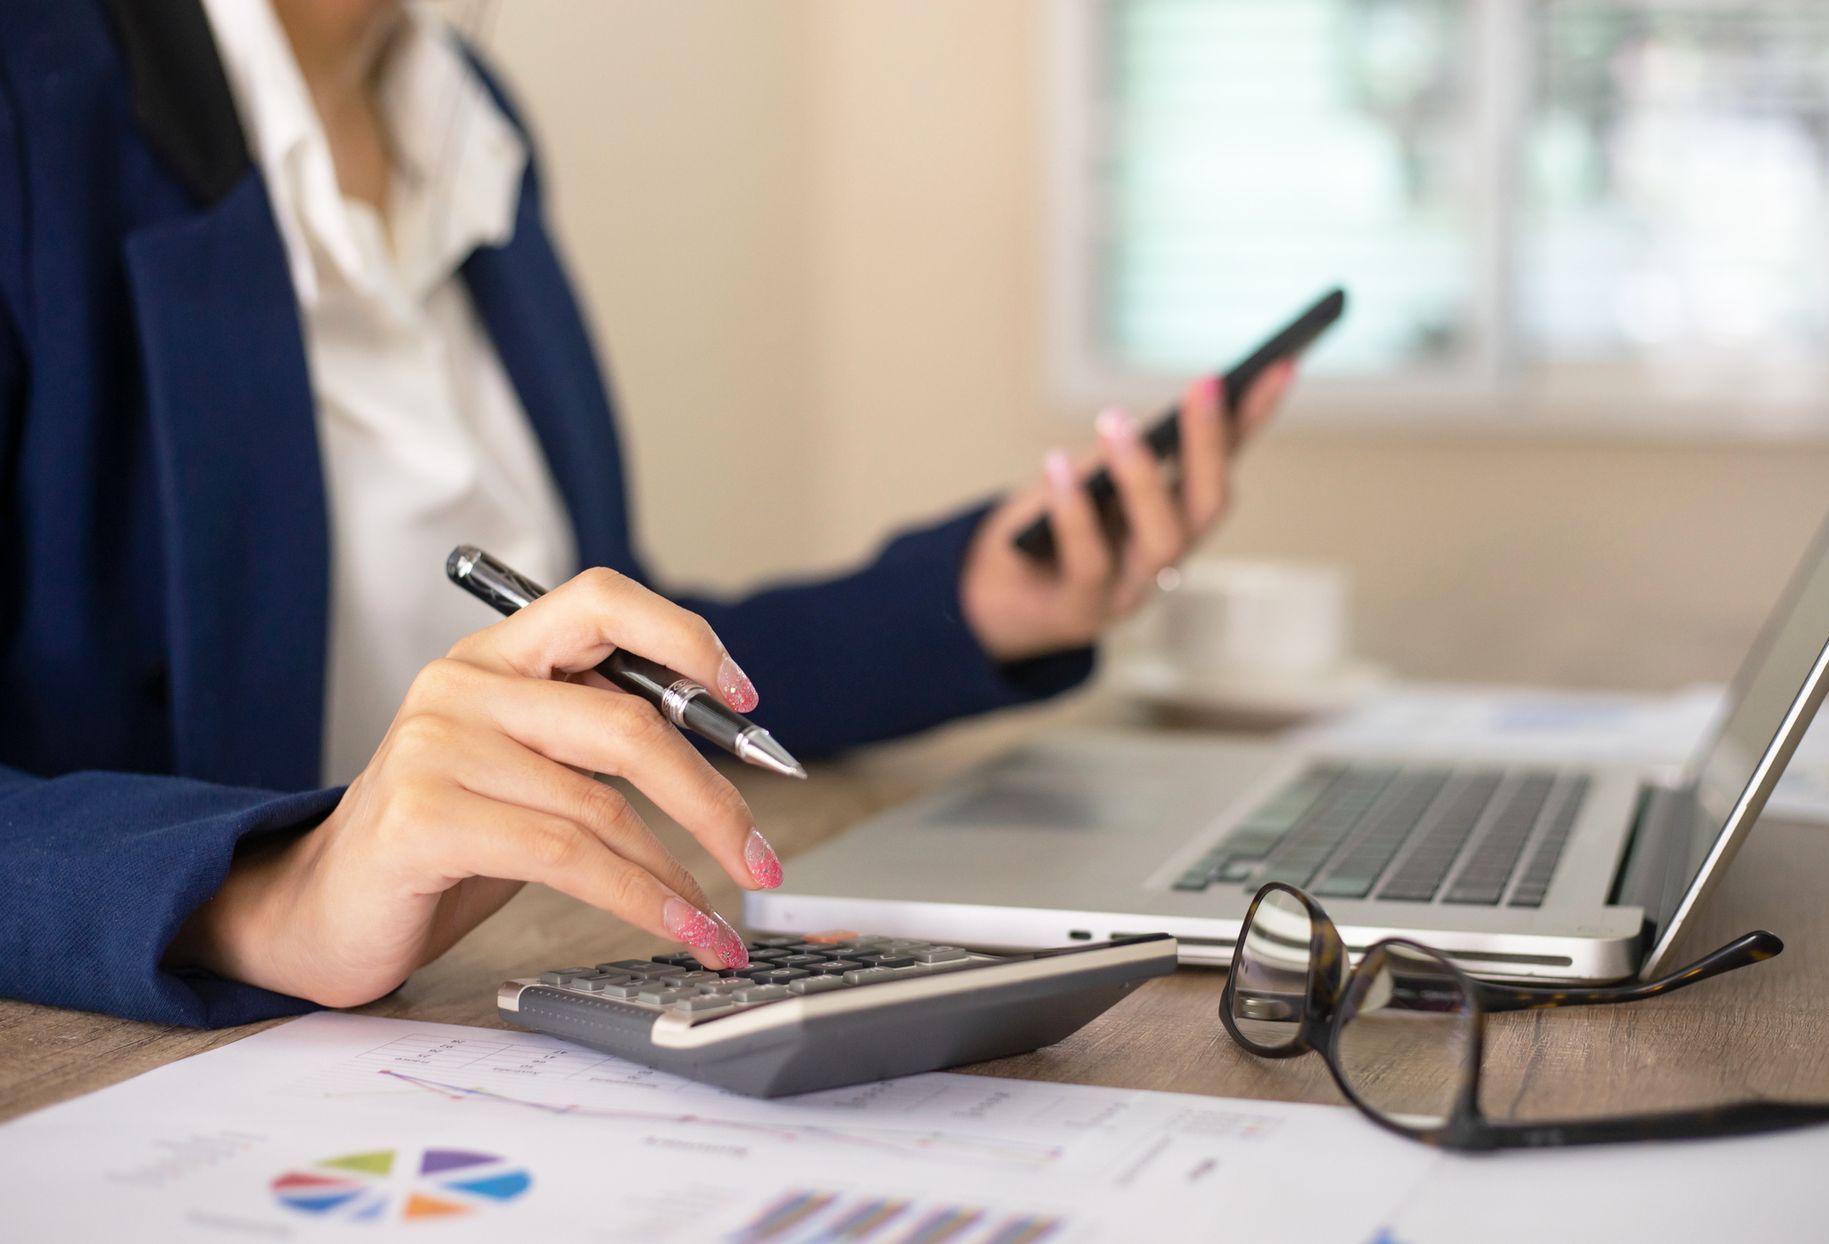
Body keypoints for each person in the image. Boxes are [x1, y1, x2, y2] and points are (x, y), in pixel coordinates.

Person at [0, 0, 1296, 1027]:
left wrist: (974, 602)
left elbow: (616, 667)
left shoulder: (468, 121)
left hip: (499, 1003)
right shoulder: (33, 94)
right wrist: (271, 891)